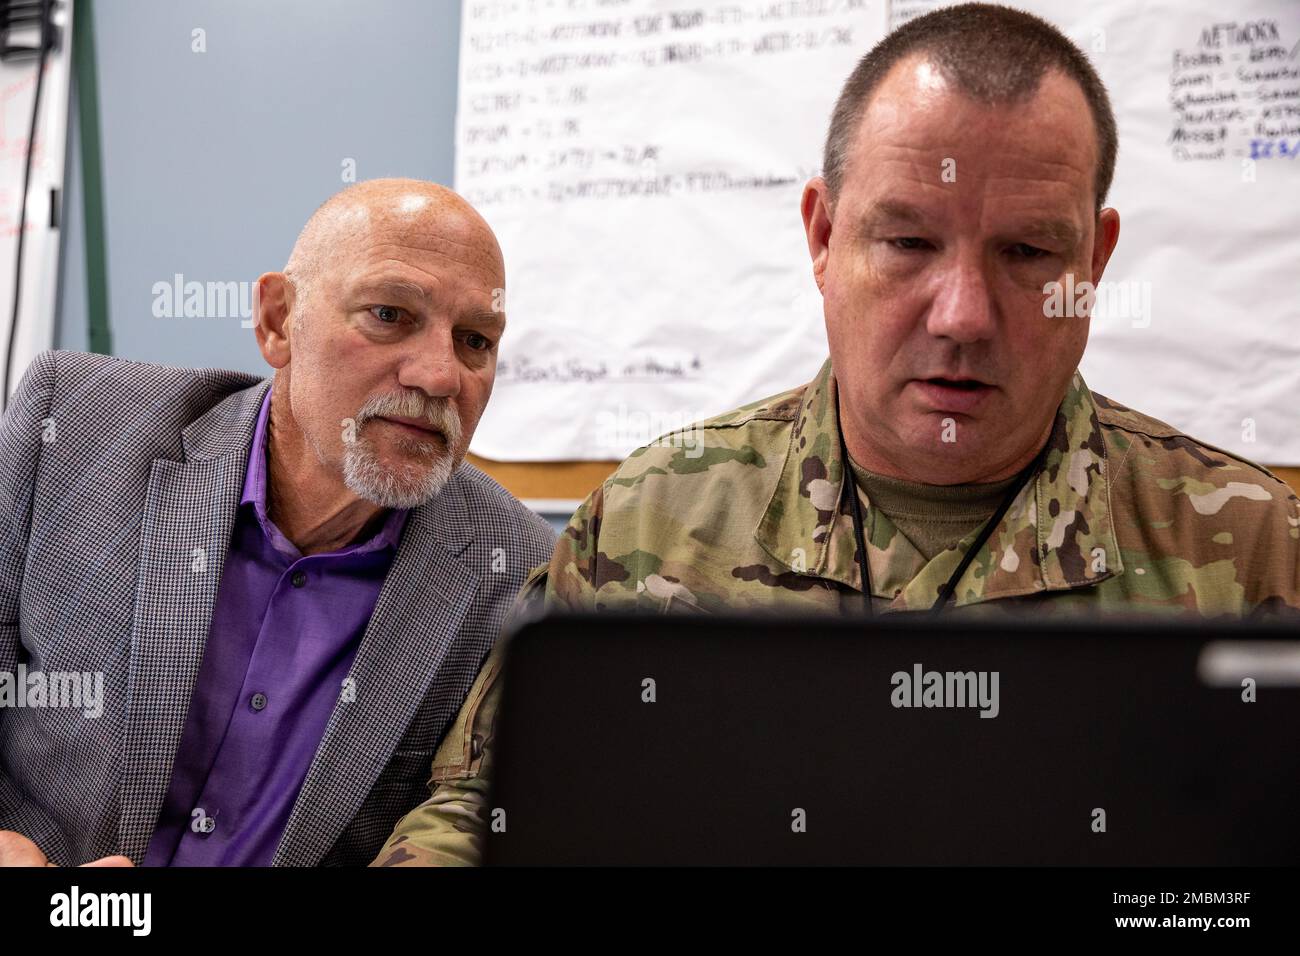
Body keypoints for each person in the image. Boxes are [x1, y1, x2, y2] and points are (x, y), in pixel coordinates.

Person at [370, 4, 1300, 866]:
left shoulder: (1252, 548)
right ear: (822, 236)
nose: (963, 316)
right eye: (908, 243)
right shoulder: (654, 518)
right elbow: (479, 814)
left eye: (1027, 253)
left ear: (1093, 263)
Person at [0, 178, 555, 866]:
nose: (442, 376)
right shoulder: (75, 426)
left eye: (475, 340)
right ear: (276, 319)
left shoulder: (518, 579)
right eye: (390, 314)